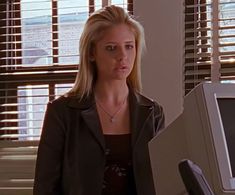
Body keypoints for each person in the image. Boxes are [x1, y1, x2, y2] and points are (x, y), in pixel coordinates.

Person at [33, 5, 165, 195]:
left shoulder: (153, 113)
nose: (123, 56)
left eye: (129, 46)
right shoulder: (63, 113)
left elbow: (163, 183)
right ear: (91, 53)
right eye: (111, 48)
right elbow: (44, 188)